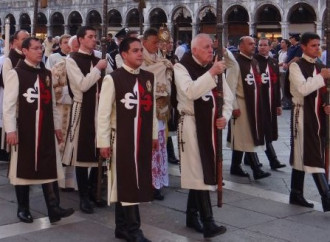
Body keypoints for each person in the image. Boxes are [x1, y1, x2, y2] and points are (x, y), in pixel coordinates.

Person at [3, 37, 74, 223]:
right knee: (23, 168)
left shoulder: (47, 74)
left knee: (48, 165)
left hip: (46, 129)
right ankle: (23, 208)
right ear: (25, 51)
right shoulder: (16, 74)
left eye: (40, 48)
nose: (39, 51)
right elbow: (8, 105)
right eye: (35, 48)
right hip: (25, 129)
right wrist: (10, 130)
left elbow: (51, 103)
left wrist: (57, 127)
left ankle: (53, 208)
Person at [98, 37, 157, 242]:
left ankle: (121, 227)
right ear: (124, 55)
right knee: (128, 181)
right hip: (122, 138)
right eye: (135, 51)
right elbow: (103, 114)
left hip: (141, 137)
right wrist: (103, 142)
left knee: (135, 180)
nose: (140, 53)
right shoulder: (113, 78)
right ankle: (133, 229)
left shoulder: (148, 77)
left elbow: (153, 109)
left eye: (141, 50)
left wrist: (153, 135)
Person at [174, 33, 233, 238]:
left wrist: (224, 116)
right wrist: (212, 73)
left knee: (199, 173)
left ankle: (192, 215)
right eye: (207, 47)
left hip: (210, 126)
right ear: (195, 50)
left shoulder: (213, 67)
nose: (211, 50)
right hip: (191, 124)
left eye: (212, 47)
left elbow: (227, 98)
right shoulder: (181, 67)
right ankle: (208, 222)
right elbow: (190, 92)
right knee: (198, 174)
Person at [62, 26, 109, 214]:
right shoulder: (72, 60)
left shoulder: (100, 59)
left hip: (101, 110)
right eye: (90, 37)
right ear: (80, 39)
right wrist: (98, 69)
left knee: (99, 151)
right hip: (83, 110)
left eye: (95, 36)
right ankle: (82, 196)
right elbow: (82, 85)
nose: (94, 40)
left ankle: (93, 190)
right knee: (81, 153)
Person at [288, 32, 330, 212]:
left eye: (318, 45)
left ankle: (296, 193)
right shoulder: (296, 66)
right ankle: (327, 197)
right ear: (303, 46)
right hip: (303, 114)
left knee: (303, 153)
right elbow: (303, 89)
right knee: (313, 153)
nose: (317, 49)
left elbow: (326, 92)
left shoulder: (321, 65)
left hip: (318, 115)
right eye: (313, 45)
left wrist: (328, 104)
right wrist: (322, 77)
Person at [227, 36, 271, 180]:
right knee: (248, 137)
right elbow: (229, 86)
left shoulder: (254, 61)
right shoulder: (235, 63)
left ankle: (235, 166)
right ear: (241, 46)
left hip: (254, 104)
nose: (254, 46)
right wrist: (233, 106)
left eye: (254, 44)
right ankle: (256, 169)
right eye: (250, 44)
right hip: (242, 104)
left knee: (243, 138)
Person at [141, 28, 172, 200]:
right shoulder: (143, 57)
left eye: (158, 43)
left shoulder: (158, 57)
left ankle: (157, 182)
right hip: (147, 107)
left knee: (159, 147)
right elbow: (145, 74)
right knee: (149, 147)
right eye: (154, 42)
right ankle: (148, 182)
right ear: (144, 41)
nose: (156, 46)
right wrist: (162, 66)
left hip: (160, 109)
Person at [254, 38, 286, 170]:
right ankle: (273, 160)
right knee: (263, 130)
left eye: (265, 45)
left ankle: (244, 159)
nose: (262, 48)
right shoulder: (253, 61)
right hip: (258, 102)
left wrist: (278, 104)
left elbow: (276, 84)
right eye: (260, 45)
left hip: (271, 102)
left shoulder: (273, 62)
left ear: (269, 47)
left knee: (267, 129)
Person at [278, 39, 290, 108]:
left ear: (287, 44)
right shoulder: (280, 51)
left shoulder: (288, 52)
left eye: (282, 42)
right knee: (281, 88)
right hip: (279, 70)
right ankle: (283, 101)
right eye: (281, 42)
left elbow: (285, 61)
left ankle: (286, 102)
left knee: (284, 87)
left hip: (284, 71)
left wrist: (278, 65)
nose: (281, 43)